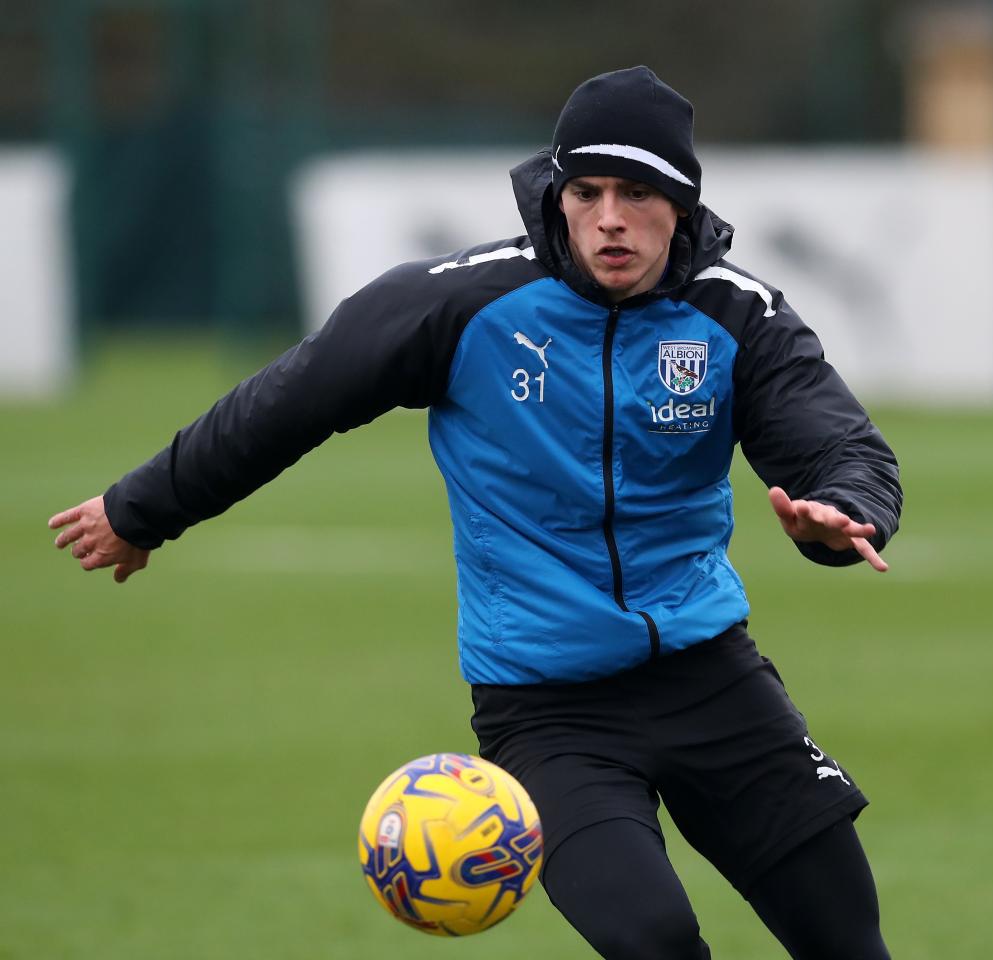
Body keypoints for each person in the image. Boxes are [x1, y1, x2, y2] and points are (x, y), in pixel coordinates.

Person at [50, 66, 902, 959]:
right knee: (654, 940)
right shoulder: (461, 304)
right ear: (558, 194)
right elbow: (288, 400)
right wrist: (143, 508)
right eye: (588, 190)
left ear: (683, 207)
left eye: (639, 192)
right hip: (547, 712)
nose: (610, 215)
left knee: (846, 937)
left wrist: (843, 516)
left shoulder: (739, 315)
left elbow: (840, 446)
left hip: (714, 683)